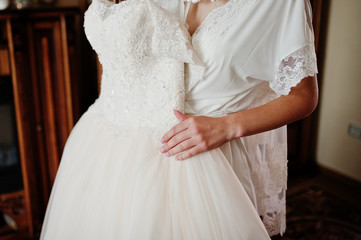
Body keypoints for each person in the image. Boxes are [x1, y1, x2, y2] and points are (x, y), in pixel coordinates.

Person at [40, 0, 318, 239]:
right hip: (106, 153)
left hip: (201, 162)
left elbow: (304, 96)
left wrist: (227, 126)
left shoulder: (281, 5)